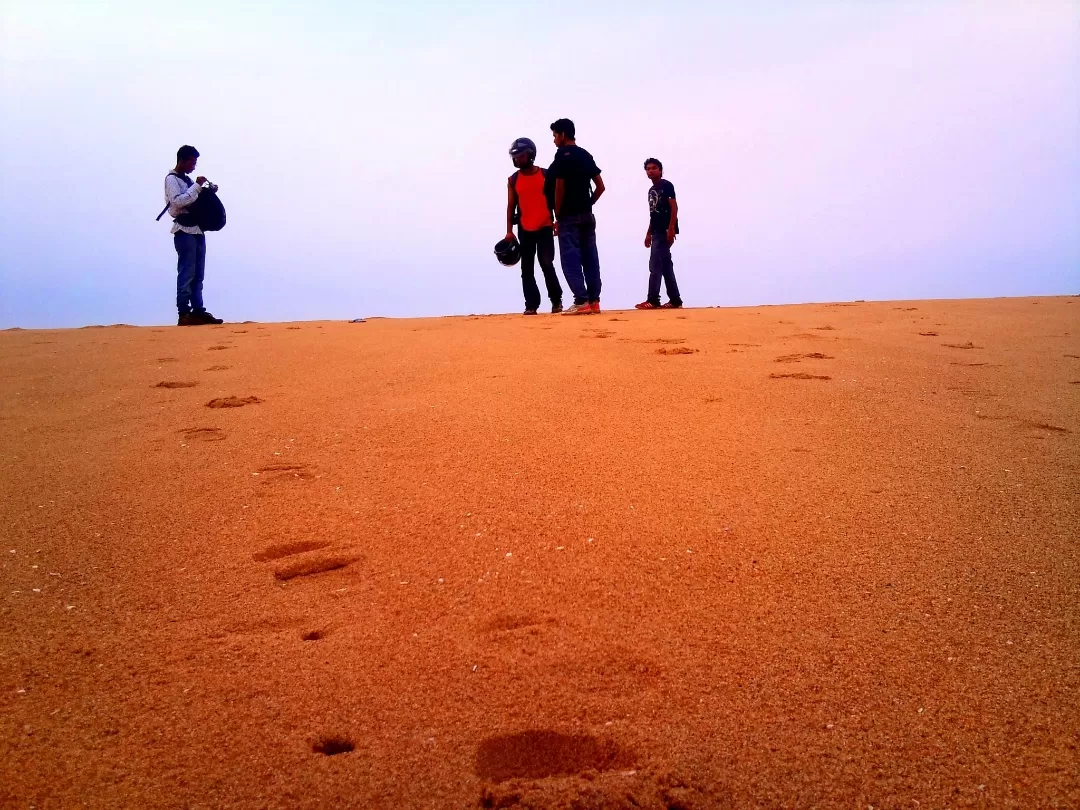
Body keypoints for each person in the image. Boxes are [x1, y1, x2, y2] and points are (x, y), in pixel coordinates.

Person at [548, 119, 605, 315]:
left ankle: (581, 301)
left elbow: (559, 187)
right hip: (587, 215)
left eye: (555, 136)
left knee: (570, 258)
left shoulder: (562, 156)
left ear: (563, 135)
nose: (554, 140)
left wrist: (557, 215)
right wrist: (589, 203)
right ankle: (594, 301)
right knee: (590, 258)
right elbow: (600, 187)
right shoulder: (586, 155)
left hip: (569, 216)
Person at [164, 145, 223, 325]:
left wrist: (206, 191)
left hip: (197, 229)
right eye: (192, 162)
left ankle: (198, 310)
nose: (193, 166)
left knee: (198, 274)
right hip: (183, 229)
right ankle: (184, 313)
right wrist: (197, 186)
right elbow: (177, 202)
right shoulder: (171, 179)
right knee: (186, 272)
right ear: (182, 160)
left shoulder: (187, 180)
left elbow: (195, 200)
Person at [505, 138, 563, 314]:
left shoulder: (545, 175)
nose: (518, 160)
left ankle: (556, 301)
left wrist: (557, 221)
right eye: (515, 157)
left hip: (545, 225)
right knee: (526, 268)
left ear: (530, 155)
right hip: (524, 228)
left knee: (546, 263)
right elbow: (510, 206)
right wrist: (509, 231)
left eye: (521, 156)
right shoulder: (513, 180)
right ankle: (531, 304)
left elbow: (555, 200)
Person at [635, 158, 683, 310]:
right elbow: (653, 213)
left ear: (660, 170)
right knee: (666, 266)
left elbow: (674, 207)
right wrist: (648, 233)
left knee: (655, 265)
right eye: (648, 169)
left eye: (654, 168)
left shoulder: (666, 185)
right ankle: (675, 300)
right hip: (656, 230)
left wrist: (671, 229)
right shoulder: (651, 191)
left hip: (664, 231)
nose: (650, 171)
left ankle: (653, 299)